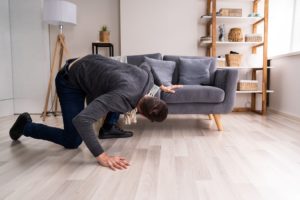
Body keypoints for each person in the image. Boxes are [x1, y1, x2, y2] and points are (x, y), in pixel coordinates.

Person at [9, 54, 181, 171]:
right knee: (73, 140)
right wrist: (102, 156)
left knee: (110, 105)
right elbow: (81, 121)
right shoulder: (121, 97)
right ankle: (26, 126)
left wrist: (161, 84)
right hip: (70, 81)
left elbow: (147, 65)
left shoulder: (147, 80)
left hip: (89, 68)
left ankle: (107, 128)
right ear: (143, 114)